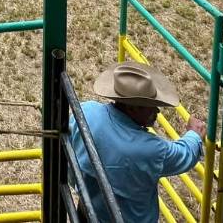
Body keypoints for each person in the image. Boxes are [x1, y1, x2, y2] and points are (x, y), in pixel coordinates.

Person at [69, 61, 204, 223]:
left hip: (88, 212)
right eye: (150, 106)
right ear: (132, 108)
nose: (157, 110)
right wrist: (194, 134)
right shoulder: (149, 149)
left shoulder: (85, 112)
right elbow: (184, 155)